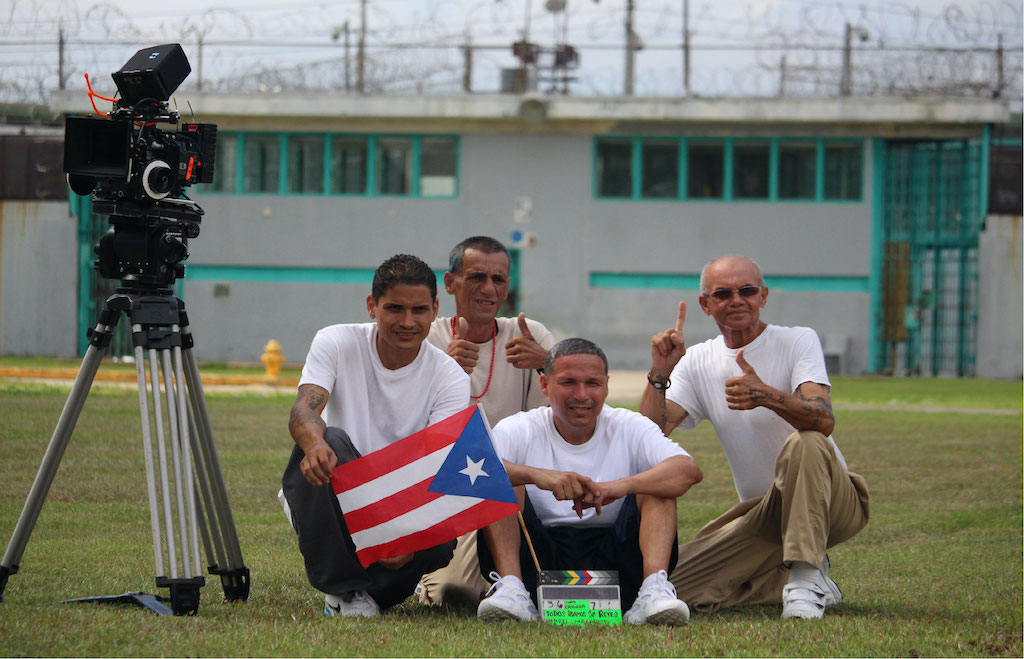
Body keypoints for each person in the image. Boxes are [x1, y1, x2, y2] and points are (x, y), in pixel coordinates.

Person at [639, 254, 870, 620]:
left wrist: (765, 394)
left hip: (832, 502)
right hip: (764, 514)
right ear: (706, 304)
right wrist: (659, 372)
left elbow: (823, 421)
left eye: (747, 290)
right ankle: (787, 582)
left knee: (806, 440)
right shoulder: (699, 360)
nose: (737, 300)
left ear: (763, 296)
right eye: (723, 293)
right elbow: (648, 435)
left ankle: (806, 578)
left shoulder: (797, 341)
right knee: (676, 590)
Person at [280, 253, 471, 618]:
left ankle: (367, 595)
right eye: (394, 308)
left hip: (403, 499)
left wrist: (404, 533)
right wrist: (314, 443)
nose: (407, 321)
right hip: (337, 494)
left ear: (435, 309)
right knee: (330, 439)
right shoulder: (336, 341)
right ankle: (346, 592)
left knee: (441, 535)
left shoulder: (450, 377)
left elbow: (437, 463)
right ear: (372, 306)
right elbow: (305, 409)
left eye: (419, 310)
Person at [475, 338, 703, 626]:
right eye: (568, 382)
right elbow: (477, 468)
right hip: (536, 558)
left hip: (618, 555)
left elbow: (688, 470)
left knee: (657, 481)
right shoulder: (520, 427)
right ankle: (511, 590)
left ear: (606, 386)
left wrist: (620, 486)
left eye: (592, 384)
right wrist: (537, 475)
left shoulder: (629, 425)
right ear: (545, 385)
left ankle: (652, 592)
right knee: (503, 479)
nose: (581, 395)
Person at [418, 235, 556, 606]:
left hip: (521, 488)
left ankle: (510, 581)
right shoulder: (427, 340)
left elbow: (571, 409)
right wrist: (441, 370)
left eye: (499, 279)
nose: (489, 289)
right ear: (450, 283)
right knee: (455, 593)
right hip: (452, 485)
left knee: (557, 581)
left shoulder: (528, 336)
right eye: (477, 277)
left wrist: (548, 362)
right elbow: (408, 429)